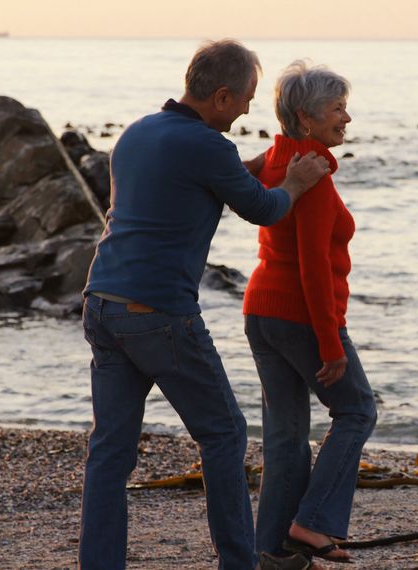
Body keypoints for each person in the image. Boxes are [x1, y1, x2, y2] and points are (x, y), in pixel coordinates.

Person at [79, 41, 331, 570]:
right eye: (244, 100)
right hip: (159, 313)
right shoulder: (207, 147)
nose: (245, 111)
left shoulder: (137, 132)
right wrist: (296, 182)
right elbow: (262, 208)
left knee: (110, 452)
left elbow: (193, 182)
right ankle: (240, 563)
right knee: (224, 433)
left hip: (101, 302)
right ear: (221, 96)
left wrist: (260, 165)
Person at [243, 61, 378, 564]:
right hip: (299, 313)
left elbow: (254, 178)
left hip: (261, 309)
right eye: (337, 109)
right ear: (306, 118)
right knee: (357, 410)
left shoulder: (279, 158)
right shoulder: (313, 175)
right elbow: (315, 269)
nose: (347, 118)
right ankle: (312, 523)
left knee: (285, 435)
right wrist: (329, 343)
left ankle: (272, 551)